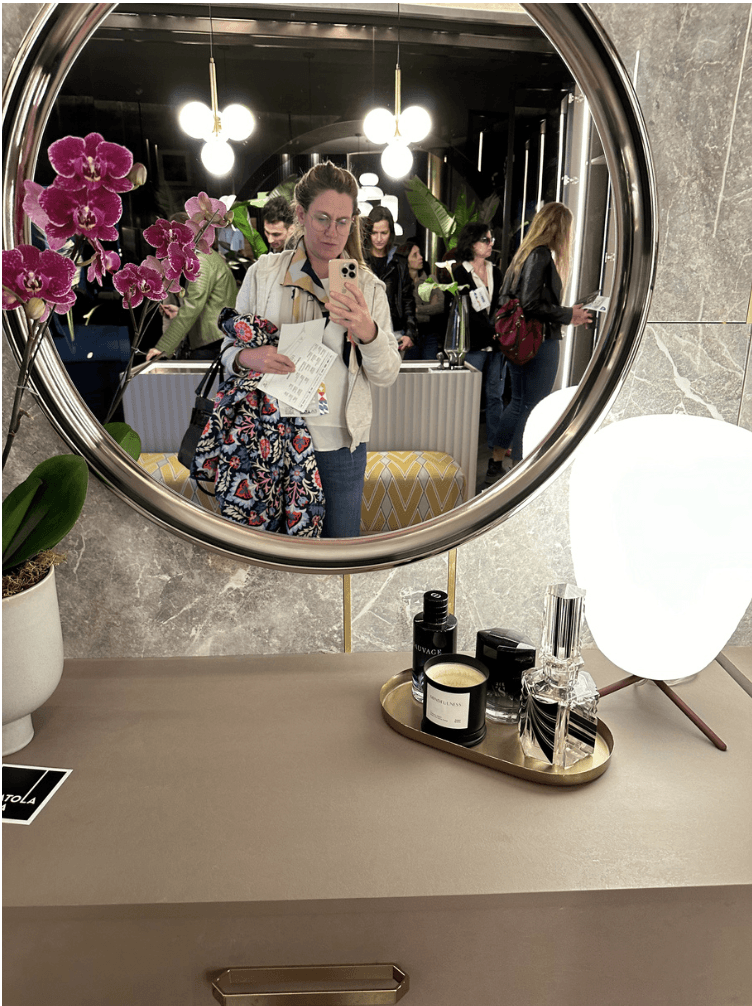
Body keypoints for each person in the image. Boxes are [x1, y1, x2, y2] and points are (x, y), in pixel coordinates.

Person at [219, 160, 400, 538]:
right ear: (300, 215)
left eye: (343, 221)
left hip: (339, 446)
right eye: (322, 219)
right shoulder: (264, 275)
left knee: (338, 556)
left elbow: (386, 375)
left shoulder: (367, 288)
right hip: (268, 437)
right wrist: (250, 357)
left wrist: (367, 331)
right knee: (272, 552)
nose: (333, 232)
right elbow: (228, 352)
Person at [490, 201, 592, 477]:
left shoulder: (524, 255)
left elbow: (522, 300)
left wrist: (568, 313)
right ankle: (520, 470)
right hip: (538, 342)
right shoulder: (541, 255)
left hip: (519, 340)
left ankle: (496, 464)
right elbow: (531, 304)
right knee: (530, 406)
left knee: (518, 402)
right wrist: (568, 314)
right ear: (559, 228)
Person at [449, 222, 504, 484]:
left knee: (495, 397)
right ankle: (462, 452)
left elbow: (502, 304)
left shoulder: (497, 271)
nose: (490, 244)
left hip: (497, 344)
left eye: (491, 239)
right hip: (474, 344)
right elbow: (466, 312)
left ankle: (496, 454)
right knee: (467, 399)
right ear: (472, 243)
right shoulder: (460, 272)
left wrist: (498, 332)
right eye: (485, 239)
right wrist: (490, 331)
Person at [146, 220, 238, 361]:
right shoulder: (207, 256)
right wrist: (179, 311)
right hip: (218, 336)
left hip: (212, 342)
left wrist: (164, 347)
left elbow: (193, 306)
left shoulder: (200, 261)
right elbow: (211, 302)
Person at [366, 206, 418, 354]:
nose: (379, 239)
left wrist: (410, 333)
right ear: (368, 233)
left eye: (384, 233)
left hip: (395, 334)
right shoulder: (360, 261)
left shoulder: (399, 263)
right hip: (365, 333)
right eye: (374, 233)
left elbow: (408, 301)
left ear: (391, 233)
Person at [398, 238, 444, 360]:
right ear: (406, 259)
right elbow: (401, 311)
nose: (420, 257)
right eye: (415, 255)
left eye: (420, 253)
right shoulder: (400, 283)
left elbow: (440, 306)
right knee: (409, 368)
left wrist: (416, 310)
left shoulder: (430, 279)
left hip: (429, 333)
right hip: (408, 334)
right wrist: (428, 309)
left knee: (430, 367)